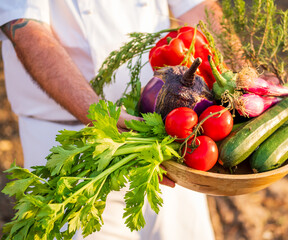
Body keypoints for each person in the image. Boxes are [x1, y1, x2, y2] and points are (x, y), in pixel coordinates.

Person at [0, 0, 223, 239]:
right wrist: (97, 113)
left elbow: (197, 7)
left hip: (167, 127)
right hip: (67, 139)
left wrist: (239, 79)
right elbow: (26, 28)